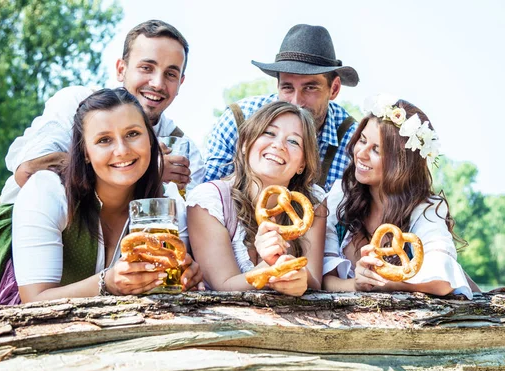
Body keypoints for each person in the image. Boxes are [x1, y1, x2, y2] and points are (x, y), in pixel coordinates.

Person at [0, 88, 203, 317]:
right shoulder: (49, 191)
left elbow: (159, 284)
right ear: (84, 152)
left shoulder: (168, 204)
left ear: (151, 142)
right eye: (103, 140)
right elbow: (33, 299)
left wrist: (184, 277)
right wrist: (108, 283)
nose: (122, 150)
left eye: (133, 134)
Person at [0, 20, 204, 204]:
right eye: (146, 68)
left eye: (170, 74)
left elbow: (190, 223)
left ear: (180, 83)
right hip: (12, 233)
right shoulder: (77, 103)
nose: (158, 84)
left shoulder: (184, 150)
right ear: (121, 70)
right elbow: (28, 171)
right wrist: (147, 169)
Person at [322, 94, 475, 299]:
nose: (361, 154)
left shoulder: (424, 209)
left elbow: (442, 280)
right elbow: (324, 278)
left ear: (402, 163)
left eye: (376, 149)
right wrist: (356, 284)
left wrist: (381, 284)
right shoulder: (341, 195)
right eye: (362, 140)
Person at [187, 101, 326, 296]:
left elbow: (314, 281)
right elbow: (223, 285)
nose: (279, 145)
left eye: (293, 141)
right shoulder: (209, 200)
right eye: (269, 133)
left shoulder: (312, 202)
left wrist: (300, 278)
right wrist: (268, 267)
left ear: (302, 163)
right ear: (245, 144)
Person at [205, 24, 359, 192]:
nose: (296, 102)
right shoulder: (239, 119)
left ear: (334, 89)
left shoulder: (356, 143)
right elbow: (207, 195)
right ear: (277, 85)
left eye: (310, 88)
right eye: (287, 88)